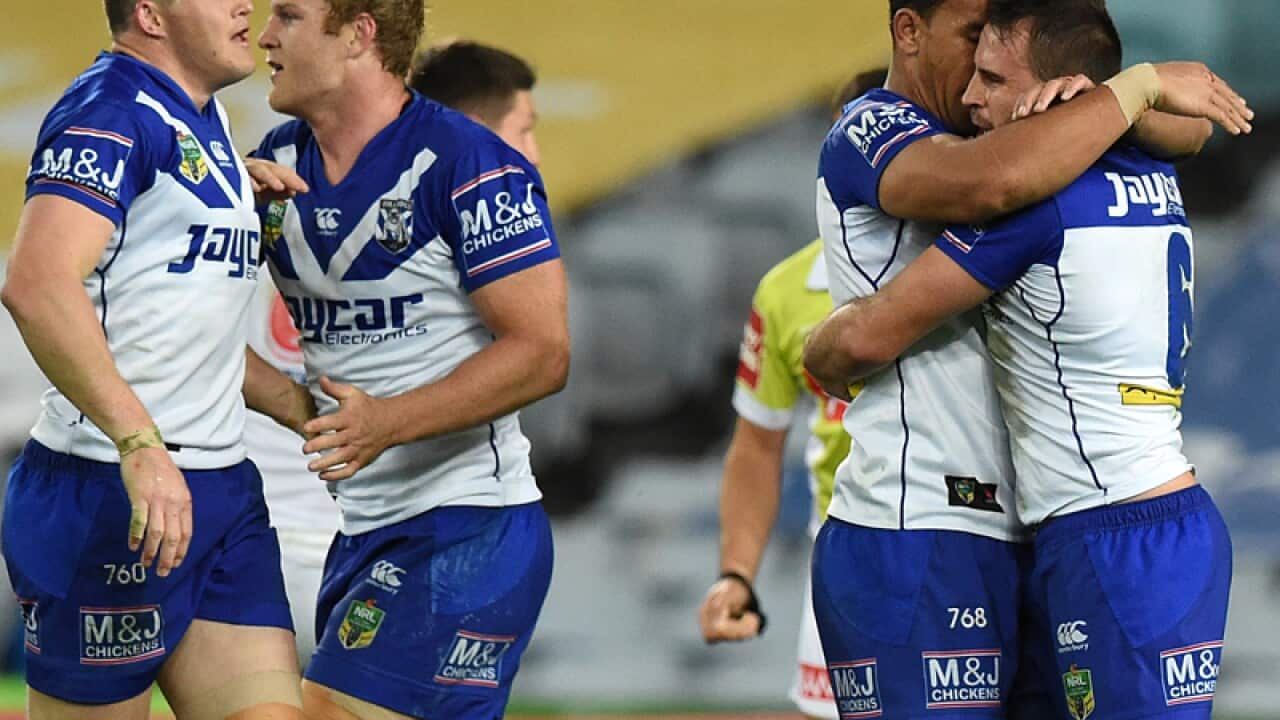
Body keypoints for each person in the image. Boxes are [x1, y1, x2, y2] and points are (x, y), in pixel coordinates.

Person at [799, 0, 1249, 717]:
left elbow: (1187, 128)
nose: (977, 90)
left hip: (1039, 529)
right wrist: (1130, 90)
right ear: (909, 31)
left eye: (993, 63)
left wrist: (1115, 96)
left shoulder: (1047, 157)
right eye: (972, 40)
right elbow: (989, 180)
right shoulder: (874, 128)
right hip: (921, 518)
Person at [252, 1, 569, 717]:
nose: (265, 36)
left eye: (290, 16)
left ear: (359, 33)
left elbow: (543, 354)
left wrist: (384, 423)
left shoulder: (470, 161)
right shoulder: (274, 167)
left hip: (467, 528)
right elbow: (206, 333)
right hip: (363, 530)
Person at [0, 1, 309, 718]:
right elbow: (36, 283)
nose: (246, 6)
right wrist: (140, 444)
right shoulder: (109, 112)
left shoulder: (208, 120)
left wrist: (307, 412)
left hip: (222, 491)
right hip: (113, 491)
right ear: (151, 13)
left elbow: (169, 313)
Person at [695, 68, 886, 720]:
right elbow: (755, 447)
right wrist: (737, 574)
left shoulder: (974, 263)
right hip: (847, 561)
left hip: (969, 551)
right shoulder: (786, 290)